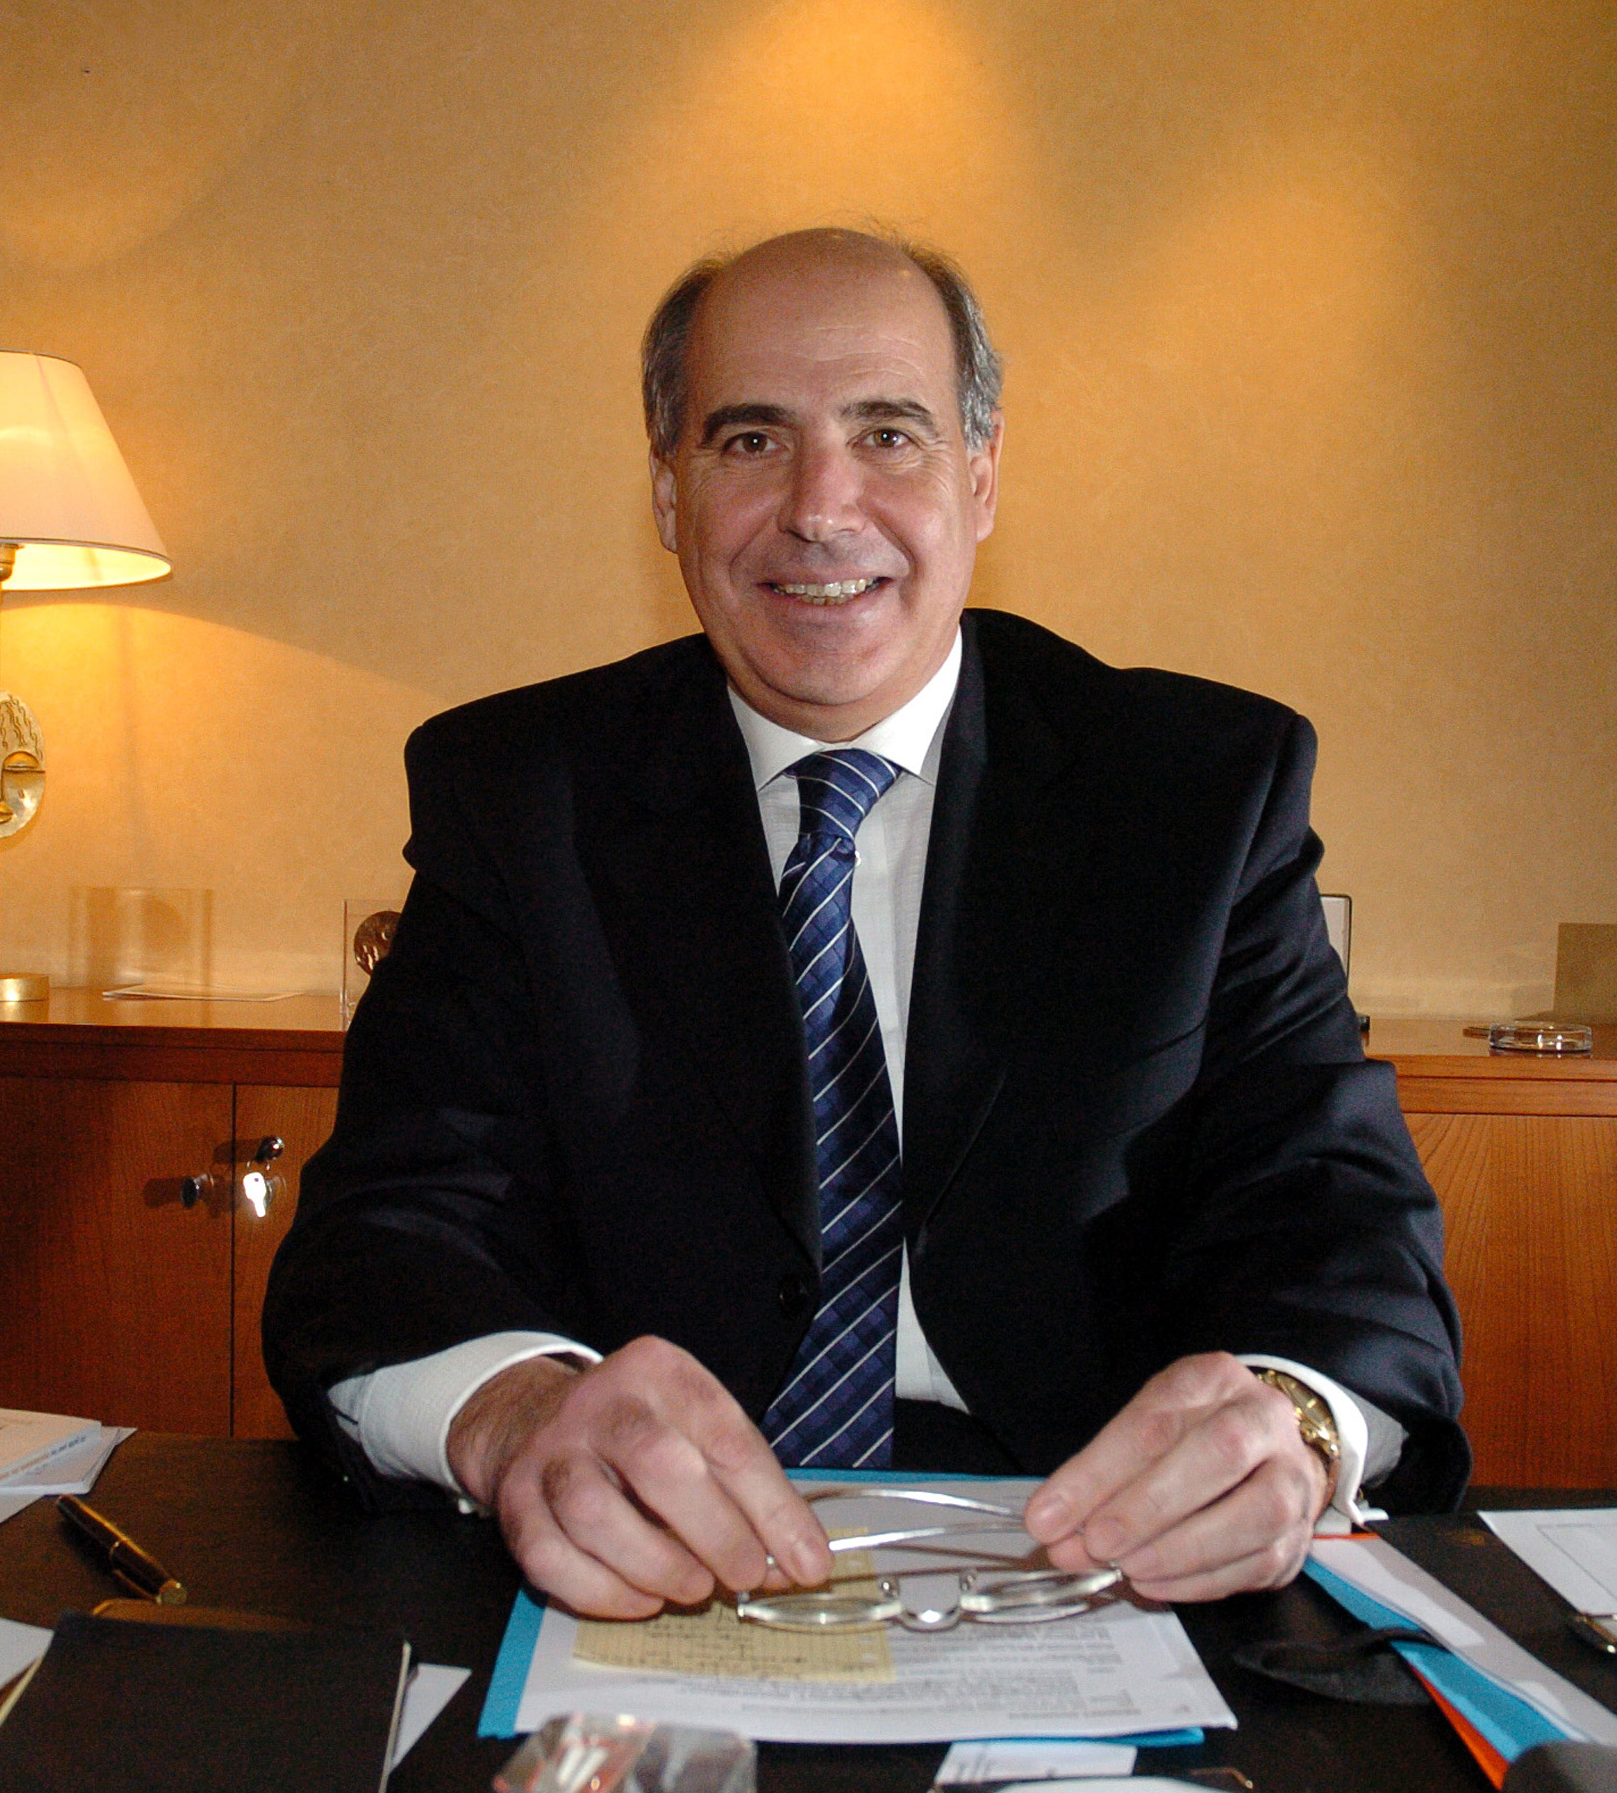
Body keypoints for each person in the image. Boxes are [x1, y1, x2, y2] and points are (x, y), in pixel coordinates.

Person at [263, 228, 1465, 1620]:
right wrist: (520, 1412)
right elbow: (393, 1228)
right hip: (642, 1552)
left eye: (889, 434)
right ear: (668, 491)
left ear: (982, 475)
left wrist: (1292, 1422)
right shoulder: (521, 795)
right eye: (751, 441)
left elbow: (1336, 1217)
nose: (820, 509)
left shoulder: (1193, 791)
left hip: (1096, 1550)